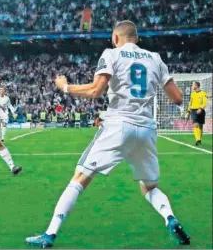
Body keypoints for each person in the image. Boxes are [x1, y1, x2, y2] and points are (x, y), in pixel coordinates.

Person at [25, 21, 191, 247]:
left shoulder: (111, 54)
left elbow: (96, 90)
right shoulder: (155, 58)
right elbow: (178, 98)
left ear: (115, 38)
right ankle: (170, 218)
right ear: (137, 38)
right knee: (149, 186)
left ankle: (50, 234)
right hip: (146, 128)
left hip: (118, 125)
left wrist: (65, 87)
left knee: (81, 177)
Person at [186, 81, 208, 146]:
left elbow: (204, 102)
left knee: (200, 127)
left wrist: (201, 108)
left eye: (193, 85)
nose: (192, 86)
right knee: (195, 124)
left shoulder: (203, 93)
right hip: (193, 110)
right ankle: (197, 140)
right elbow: (190, 103)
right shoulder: (192, 94)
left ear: (196, 86)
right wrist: (188, 111)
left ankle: (199, 140)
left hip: (201, 110)